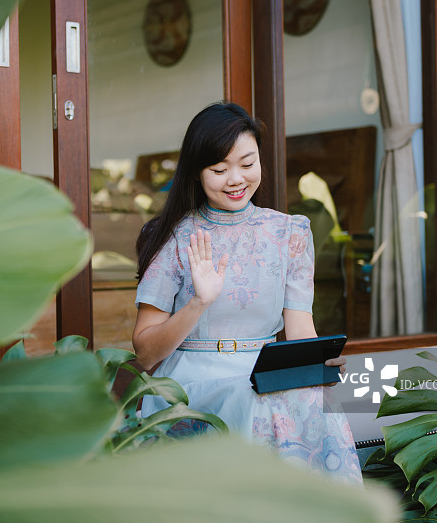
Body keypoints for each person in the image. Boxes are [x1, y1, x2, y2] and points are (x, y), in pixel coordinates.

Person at [132, 102, 362, 484]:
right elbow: (145, 353)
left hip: (265, 375)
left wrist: (315, 364)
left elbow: (300, 327)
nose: (236, 179)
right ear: (197, 172)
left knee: (314, 398)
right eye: (220, 169)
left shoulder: (289, 233)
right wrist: (198, 303)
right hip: (192, 382)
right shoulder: (174, 237)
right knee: (253, 399)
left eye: (247, 163)